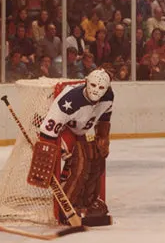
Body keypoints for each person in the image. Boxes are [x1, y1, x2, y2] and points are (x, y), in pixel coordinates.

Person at [29, 69, 114, 226]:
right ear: (86, 82)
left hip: (78, 129)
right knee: (79, 161)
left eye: (101, 88)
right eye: (93, 85)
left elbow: (104, 117)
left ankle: (87, 203)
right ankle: (66, 206)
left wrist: (103, 137)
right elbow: (47, 130)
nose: (96, 90)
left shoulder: (108, 96)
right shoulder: (71, 99)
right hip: (59, 129)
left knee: (96, 156)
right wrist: (46, 155)